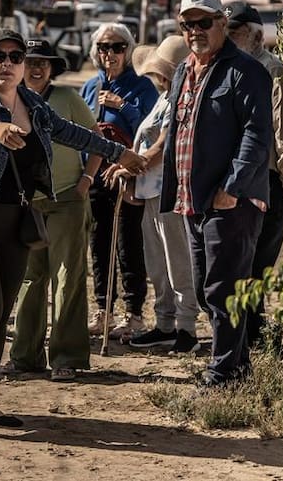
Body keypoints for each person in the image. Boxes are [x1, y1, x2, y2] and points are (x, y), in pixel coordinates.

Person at [0, 29, 146, 438]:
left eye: (16, 57)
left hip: (17, 218)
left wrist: (121, 154)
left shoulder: (32, 104)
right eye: (0, 56)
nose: (9, 63)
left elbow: (73, 133)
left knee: (0, 315)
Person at [161, 0, 272, 388]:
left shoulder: (246, 71)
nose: (195, 31)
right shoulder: (182, 71)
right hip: (194, 199)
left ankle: (223, 373)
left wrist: (233, 188)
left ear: (222, 23)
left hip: (231, 200)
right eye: (187, 24)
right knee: (210, 289)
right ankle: (237, 367)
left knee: (224, 289)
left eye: (203, 22)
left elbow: (258, 137)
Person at [9, 39, 100, 381]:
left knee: (67, 278)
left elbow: (95, 138)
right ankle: (25, 356)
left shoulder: (67, 98)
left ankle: (67, 358)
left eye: (43, 63)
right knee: (30, 279)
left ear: (52, 69)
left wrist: (87, 179)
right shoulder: (10, 97)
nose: (35, 68)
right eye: (30, 61)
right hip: (27, 203)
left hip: (66, 199)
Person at [111, 36, 201, 354]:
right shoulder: (165, 98)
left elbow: (165, 143)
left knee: (177, 261)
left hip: (171, 191)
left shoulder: (181, 100)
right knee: (158, 263)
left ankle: (186, 328)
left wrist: (132, 166)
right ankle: (165, 324)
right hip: (153, 191)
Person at [224, 1, 283, 347]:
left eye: (235, 32)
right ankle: (242, 337)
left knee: (256, 268)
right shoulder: (228, 69)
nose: (228, 38)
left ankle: (253, 340)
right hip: (236, 181)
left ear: (255, 35)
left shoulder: (274, 71)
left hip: (267, 182)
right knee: (236, 268)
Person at [79, 23, 158, 339]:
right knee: (99, 244)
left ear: (129, 50)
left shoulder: (142, 87)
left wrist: (122, 106)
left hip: (129, 175)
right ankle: (103, 310)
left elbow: (151, 131)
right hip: (95, 174)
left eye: (117, 47)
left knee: (128, 244)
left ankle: (134, 313)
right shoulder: (89, 86)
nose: (109, 53)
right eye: (103, 47)